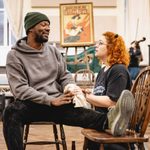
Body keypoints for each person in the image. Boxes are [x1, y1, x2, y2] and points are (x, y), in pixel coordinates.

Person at [2, 12, 134, 150]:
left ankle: (110, 121)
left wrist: (70, 86)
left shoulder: (53, 51)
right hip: (30, 105)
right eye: (43, 24)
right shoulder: (15, 55)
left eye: (49, 25)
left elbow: (64, 75)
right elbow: (20, 89)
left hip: (57, 104)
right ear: (30, 29)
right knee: (11, 111)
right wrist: (49, 100)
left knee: (84, 113)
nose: (48, 28)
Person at [83, 32, 134, 149]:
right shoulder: (103, 71)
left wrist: (87, 97)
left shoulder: (118, 70)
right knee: (79, 113)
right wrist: (89, 93)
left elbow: (112, 101)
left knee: (80, 115)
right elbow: (101, 93)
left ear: (112, 48)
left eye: (100, 43)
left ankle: (116, 124)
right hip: (101, 119)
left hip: (114, 124)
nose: (96, 46)